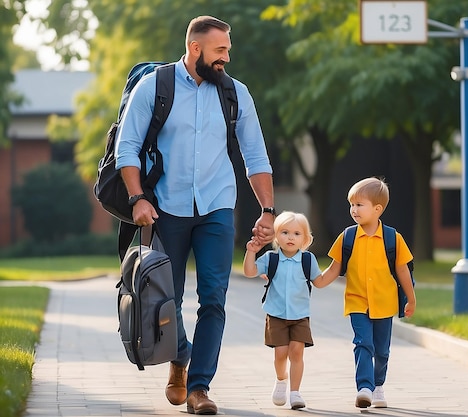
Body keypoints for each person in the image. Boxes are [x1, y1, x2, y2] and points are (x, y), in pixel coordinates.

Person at [115, 15, 275, 415]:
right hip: (165, 208)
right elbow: (127, 147)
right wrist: (137, 199)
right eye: (220, 51)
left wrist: (268, 211)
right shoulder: (155, 87)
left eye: (228, 51)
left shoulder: (236, 94)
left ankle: (200, 387)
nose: (226, 58)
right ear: (195, 48)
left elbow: (256, 156)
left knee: (214, 299)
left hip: (217, 207)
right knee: (169, 297)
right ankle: (179, 357)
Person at [319, 177, 416, 409]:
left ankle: (378, 386)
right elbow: (334, 268)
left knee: (382, 350)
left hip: (384, 302)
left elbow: (403, 270)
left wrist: (411, 299)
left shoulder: (393, 239)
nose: (354, 210)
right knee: (363, 343)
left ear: (377, 208)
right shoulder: (348, 237)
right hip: (357, 301)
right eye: (351, 204)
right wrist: (317, 281)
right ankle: (364, 388)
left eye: (359, 205)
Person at [243, 211, 327, 410]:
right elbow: (250, 272)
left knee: (297, 352)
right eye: (285, 232)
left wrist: (337, 266)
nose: (290, 237)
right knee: (280, 354)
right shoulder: (271, 258)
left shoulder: (308, 260)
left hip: (300, 315)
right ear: (276, 236)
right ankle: (281, 380)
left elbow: (320, 281)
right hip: (276, 314)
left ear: (305, 239)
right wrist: (251, 252)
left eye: (297, 234)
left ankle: (295, 392)